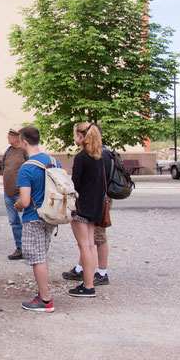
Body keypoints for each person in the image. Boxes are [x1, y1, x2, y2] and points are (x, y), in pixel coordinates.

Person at [15, 126, 61, 313]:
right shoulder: (53, 161)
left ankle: (45, 299)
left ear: (24, 142)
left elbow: (24, 201)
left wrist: (16, 205)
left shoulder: (26, 168)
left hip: (34, 216)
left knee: (38, 259)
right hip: (51, 213)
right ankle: (43, 293)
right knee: (43, 254)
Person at [62, 144, 113, 286]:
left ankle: (99, 274)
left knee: (93, 241)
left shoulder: (97, 155)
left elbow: (79, 183)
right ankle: (82, 269)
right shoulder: (102, 154)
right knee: (88, 243)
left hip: (92, 203)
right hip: (98, 201)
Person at [67, 122, 105, 298]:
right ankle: (88, 282)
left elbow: (75, 184)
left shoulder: (82, 157)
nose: (74, 137)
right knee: (89, 245)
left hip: (82, 207)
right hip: (94, 206)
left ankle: (88, 286)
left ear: (81, 136)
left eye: (75, 134)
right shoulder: (98, 156)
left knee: (85, 246)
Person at [2, 124, 28, 260]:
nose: (7, 137)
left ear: (18, 137)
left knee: (26, 222)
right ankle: (19, 247)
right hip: (8, 192)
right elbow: (5, 168)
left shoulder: (25, 152)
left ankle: (28, 247)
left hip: (21, 193)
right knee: (14, 222)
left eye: (10, 135)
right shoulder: (8, 151)